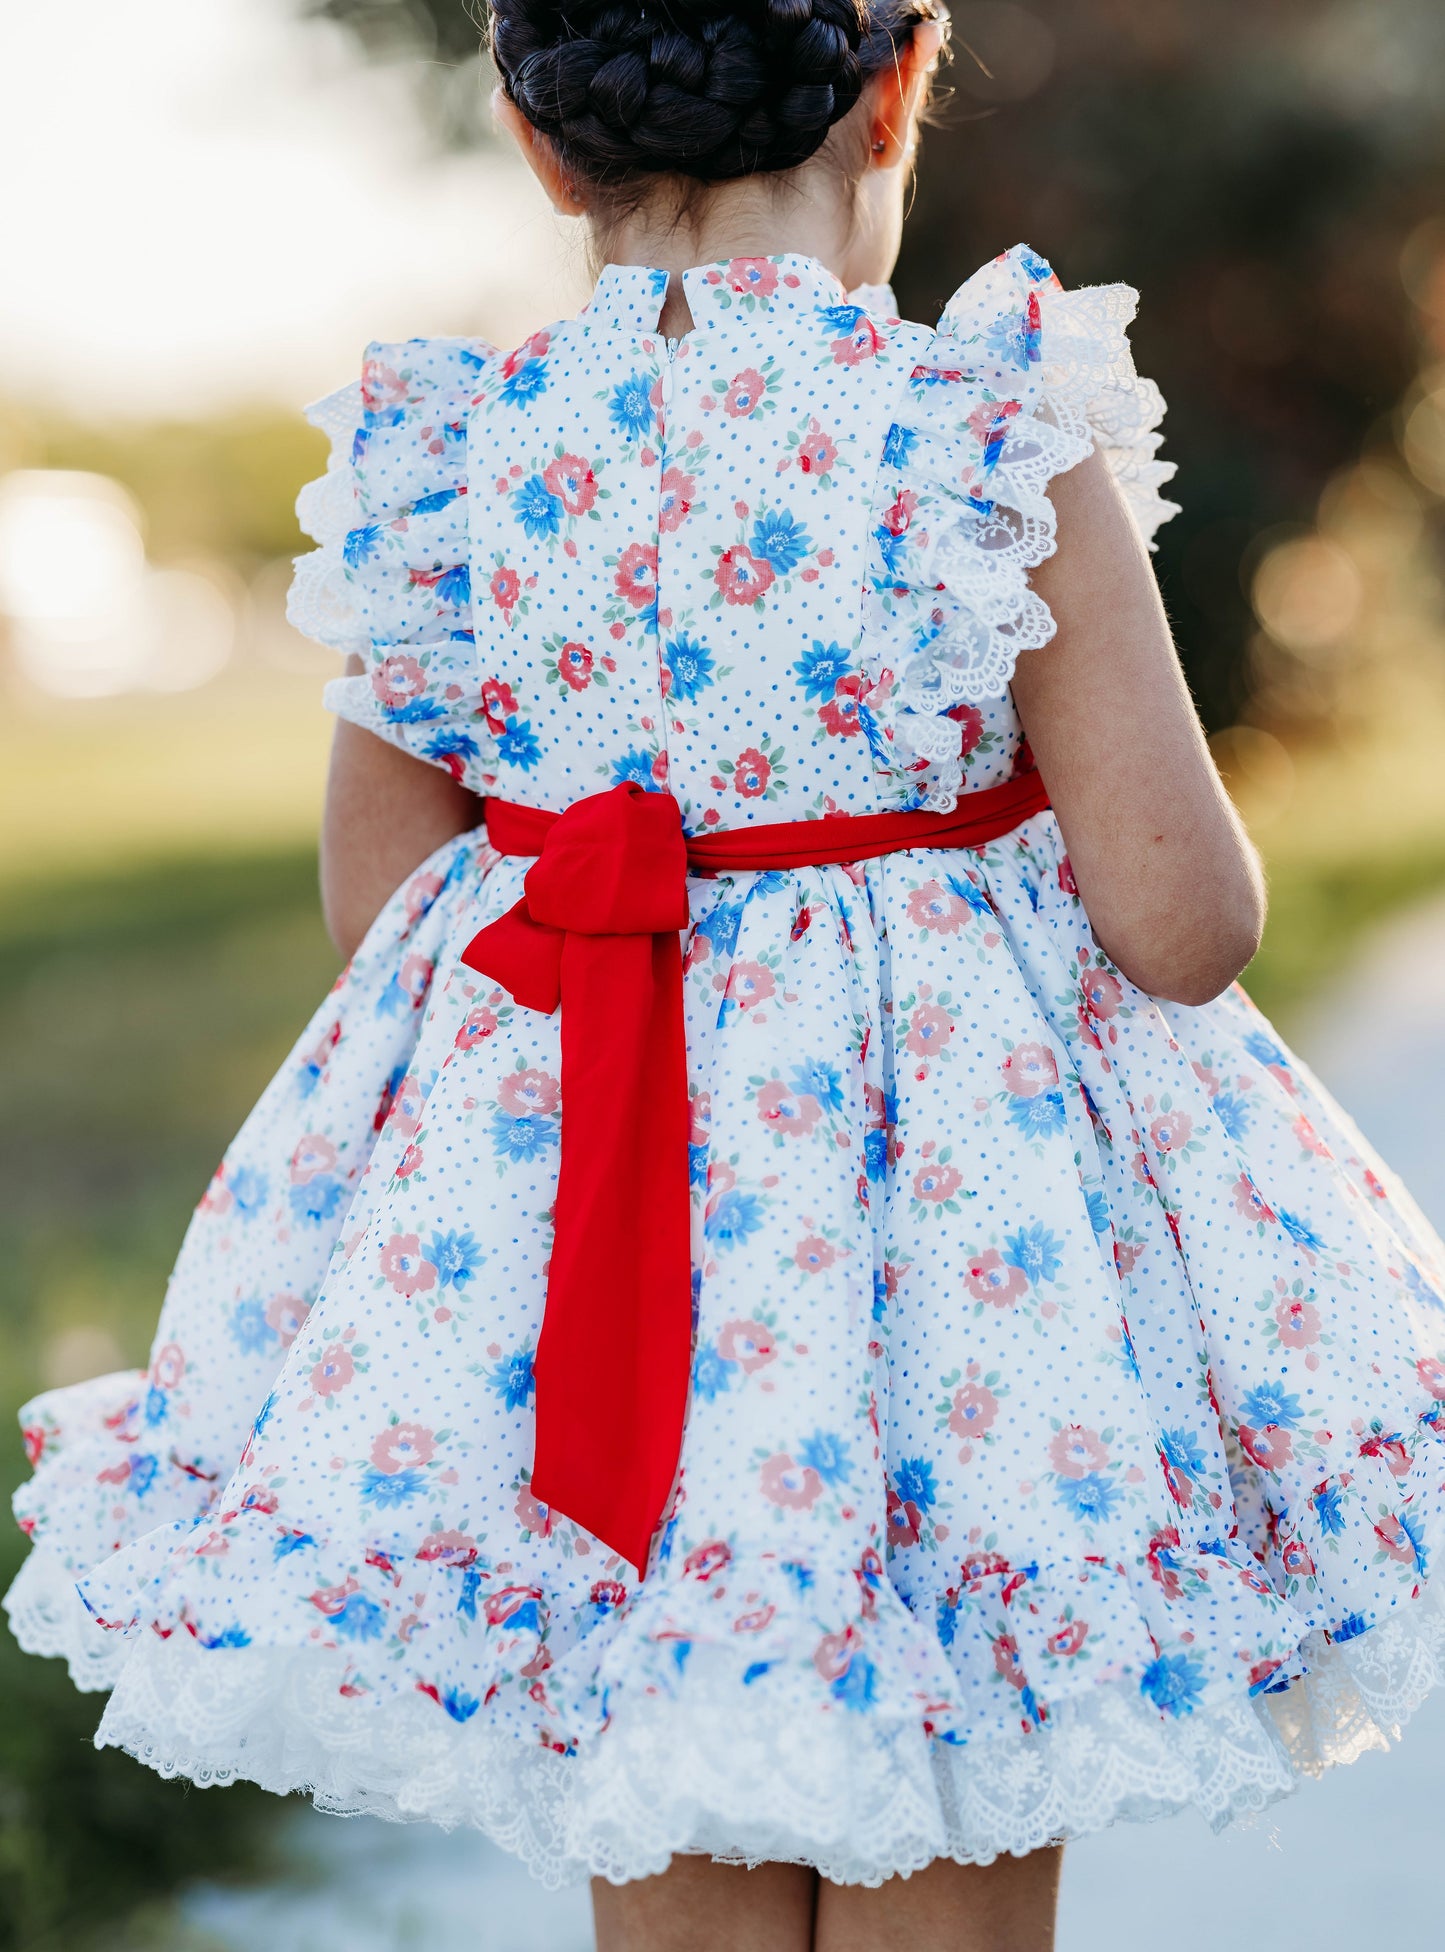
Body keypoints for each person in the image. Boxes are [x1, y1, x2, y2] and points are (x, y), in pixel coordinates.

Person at [10, 0, 1445, 1945]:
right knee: (954, 1771)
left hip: (591, 1266)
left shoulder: (455, 455)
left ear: (535, 140)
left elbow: (385, 912)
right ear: (896, 87)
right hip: (954, 1290)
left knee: (657, 1782)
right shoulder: (982, 427)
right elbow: (1182, 924)